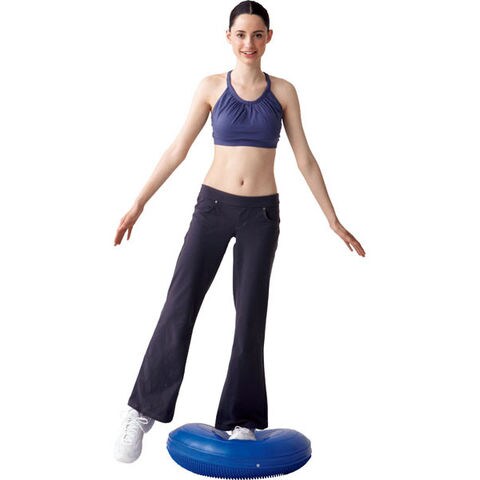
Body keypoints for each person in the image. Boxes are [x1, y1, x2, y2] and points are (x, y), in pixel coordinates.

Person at [113, 0, 366, 463]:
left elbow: (305, 158)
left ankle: (243, 419)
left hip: (260, 217)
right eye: (241, 34)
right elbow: (177, 148)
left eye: (257, 34)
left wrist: (332, 218)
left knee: (250, 316)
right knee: (180, 305)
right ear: (228, 37)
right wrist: (138, 202)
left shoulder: (284, 91)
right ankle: (141, 411)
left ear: (269, 37)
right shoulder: (211, 86)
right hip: (212, 208)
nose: (249, 43)